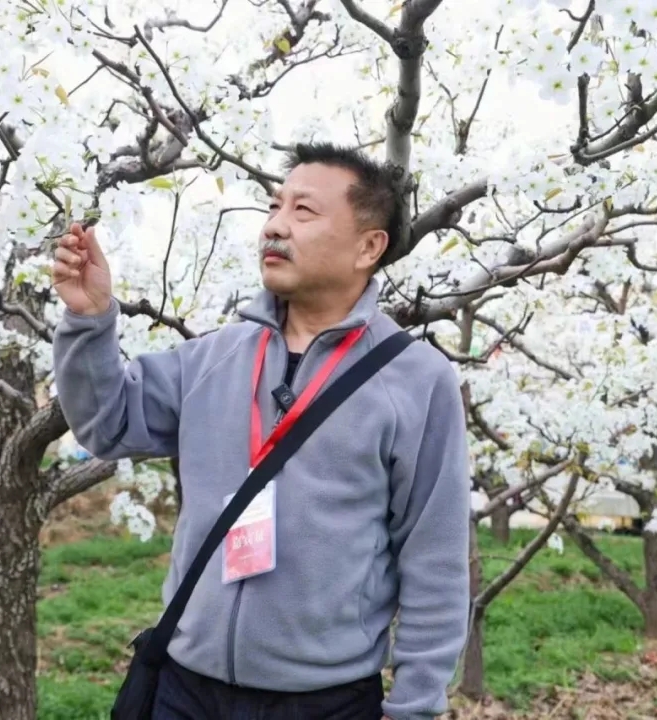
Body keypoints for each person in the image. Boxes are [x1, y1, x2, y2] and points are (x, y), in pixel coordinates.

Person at [52, 143, 471, 720]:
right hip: (186, 689)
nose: (275, 226)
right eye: (275, 206)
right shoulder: (215, 357)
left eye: (304, 210)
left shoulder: (417, 381)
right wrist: (90, 319)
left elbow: (435, 559)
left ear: (368, 247)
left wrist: (414, 706)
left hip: (325, 702)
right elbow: (107, 423)